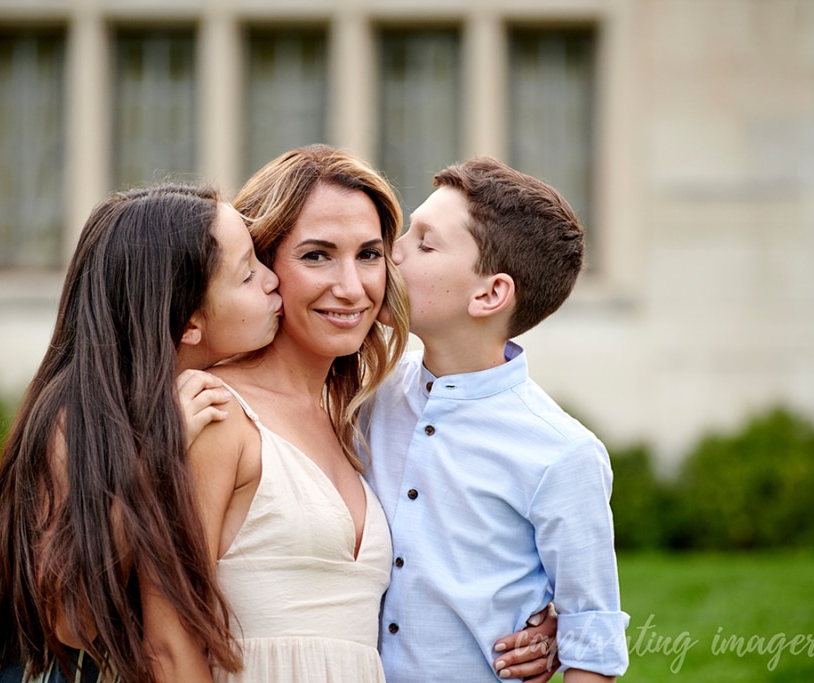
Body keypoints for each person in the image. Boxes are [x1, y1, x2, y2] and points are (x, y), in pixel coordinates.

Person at [0, 182, 283, 683]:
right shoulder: (75, 419)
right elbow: (71, 616)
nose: (274, 280)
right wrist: (158, 455)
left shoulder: (173, 397)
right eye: (248, 274)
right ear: (189, 324)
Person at [363, 158, 631, 682]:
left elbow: (592, 638)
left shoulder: (561, 454)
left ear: (489, 294)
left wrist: (559, 632)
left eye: (424, 242)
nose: (391, 250)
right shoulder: (368, 394)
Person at [186, 145, 410, 682]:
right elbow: (165, 638)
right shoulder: (213, 413)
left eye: (369, 254)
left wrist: (526, 621)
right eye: (317, 255)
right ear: (261, 266)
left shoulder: (361, 415)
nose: (352, 288)